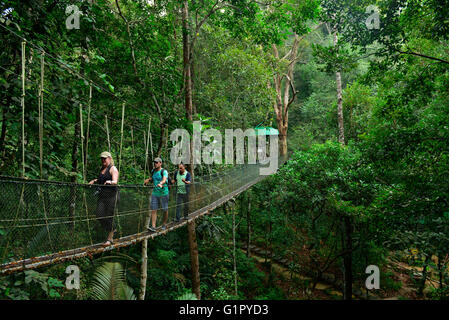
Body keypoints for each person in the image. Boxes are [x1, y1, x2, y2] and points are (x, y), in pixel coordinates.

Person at [88, 151, 119, 246]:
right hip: (102, 196)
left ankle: (110, 239)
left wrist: (111, 181)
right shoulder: (102, 169)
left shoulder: (113, 168)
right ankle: (113, 229)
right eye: (102, 158)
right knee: (99, 214)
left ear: (110, 158)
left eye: (105, 158)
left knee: (109, 216)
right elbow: (101, 179)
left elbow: (115, 181)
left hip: (112, 196)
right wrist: (94, 181)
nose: (103, 160)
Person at [144, 157, 169, 232]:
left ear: (160, 163)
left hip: (164, 193)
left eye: (157, 162)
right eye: (154, 162)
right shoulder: (153, 171)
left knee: (165, 209)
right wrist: (148, 180)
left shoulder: (164, 171)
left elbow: (164, 179)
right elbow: (152, 178)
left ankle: (164, 224)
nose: (155, 163)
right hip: (155, 193)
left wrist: (161, 183)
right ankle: (153, 227)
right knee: (154, 209)